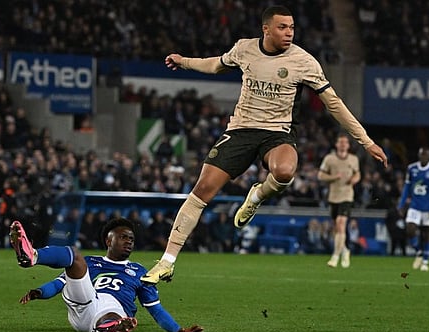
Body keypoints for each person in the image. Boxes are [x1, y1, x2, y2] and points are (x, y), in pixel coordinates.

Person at [141, 5, 387, 284]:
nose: (289, 33)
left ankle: (256, 197)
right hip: (241, 129)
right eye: (283, 27)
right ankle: (167, 261)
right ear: (266, 29)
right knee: (202, 190)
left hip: (277, 133)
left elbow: (334, 103)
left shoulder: (304, 61)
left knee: (284, 171)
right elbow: (216, 64)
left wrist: (365, 141)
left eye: (292, 27)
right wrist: (184, 61)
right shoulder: (245, 49)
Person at [9, 218, 203, 332]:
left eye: (131, 239)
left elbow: (156, 310)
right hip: (83, 304)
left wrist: (177, 330)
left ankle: (108, 326)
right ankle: (32, 256)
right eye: (123, 237)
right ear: (108, 241)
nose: (129, 241)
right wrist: (40, 292)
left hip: (111, 312)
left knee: (113, 308)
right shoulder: (91, 262)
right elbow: (58, 284)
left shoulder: (140, 271)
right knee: (75, 257)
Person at [317, 133, 361, 268]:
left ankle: (335, 256)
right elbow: (320, 175)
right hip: (333, 196)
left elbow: (357, 173)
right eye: (340, 142)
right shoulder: (330, 159)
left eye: (345, 143)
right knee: (337, 228)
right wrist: (333, 177)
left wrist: (354, 179)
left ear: (348, 145)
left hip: (347, 196)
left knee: (341, 223)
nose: (342, 145)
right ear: (336, 144)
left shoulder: (353, 159)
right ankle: (345, 250)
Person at [397, 147, 429, 271]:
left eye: (426, 155)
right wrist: (401, 205)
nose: (424, 157)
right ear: (419, 155)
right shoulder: (412, 168)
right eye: (422, 155)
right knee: (410, 229)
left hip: (428, 207)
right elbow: (407, 187)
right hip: (415, 206)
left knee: (427, 233)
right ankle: (419, 251)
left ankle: (425, 261)